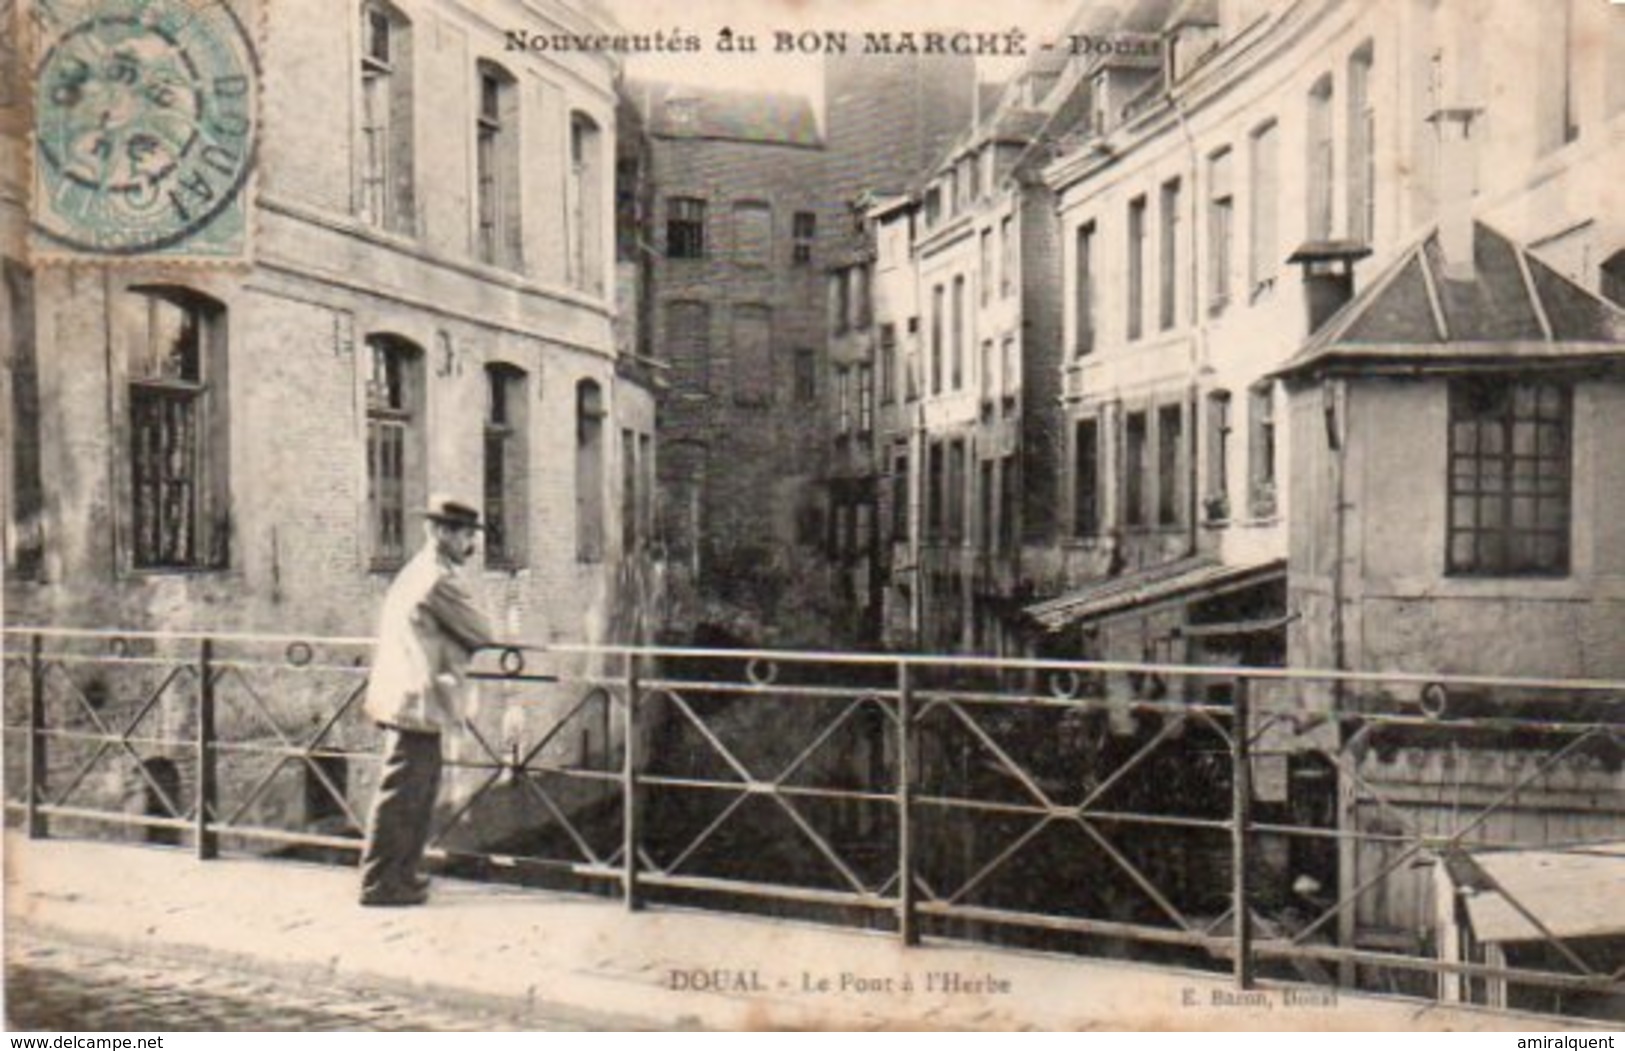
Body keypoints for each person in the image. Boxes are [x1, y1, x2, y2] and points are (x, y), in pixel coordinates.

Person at [358, 495, 497, 906]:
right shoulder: (438, 579)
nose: (471, 545)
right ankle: (379, 882)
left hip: (410, 696)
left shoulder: (416, 571)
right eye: (465, 535)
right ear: (442, 533)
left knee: (414, 792)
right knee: (403, 792)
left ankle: (401, 875)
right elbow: (482, 630)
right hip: (416, 700)